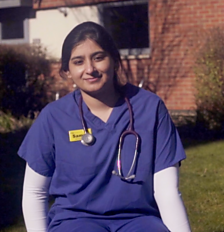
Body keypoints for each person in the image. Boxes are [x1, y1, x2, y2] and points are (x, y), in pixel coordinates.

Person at [18, 21, 192, 232]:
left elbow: (167, 191)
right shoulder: (53, 117)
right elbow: (34, 192)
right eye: (78, 61)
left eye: (98, 58)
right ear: (67, 71)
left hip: (138, 220)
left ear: (115, 61)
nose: (90, 69)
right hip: (75, 221)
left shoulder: (150, 108)